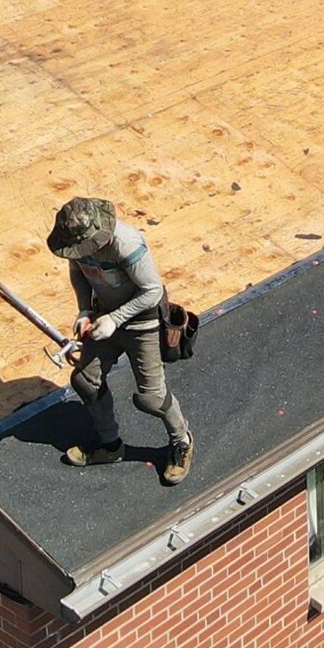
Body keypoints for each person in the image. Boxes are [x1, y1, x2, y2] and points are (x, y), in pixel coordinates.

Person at [51, 196, 195, 485]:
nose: (79, 253)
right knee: (85, 381)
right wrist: (85, 309)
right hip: (105, 319)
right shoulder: (77, 247)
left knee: (151, 399)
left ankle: (181, 441)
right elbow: (77, 272)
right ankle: (109, 446)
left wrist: (116, 319)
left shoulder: (127, 244)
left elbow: (152, 291)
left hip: (143, 324)